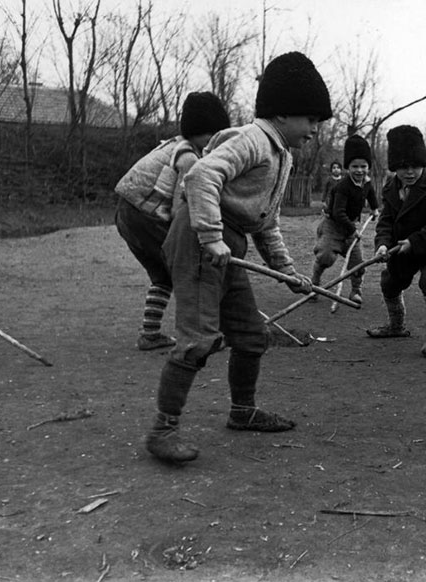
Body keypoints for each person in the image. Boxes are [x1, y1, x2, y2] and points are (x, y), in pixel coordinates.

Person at [144, 52, 332, 464]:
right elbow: (200, 176)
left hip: (228, 247)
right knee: (198, 341)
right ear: (283, 113)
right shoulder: (251, 139)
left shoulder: (282, 153)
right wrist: (211, 238)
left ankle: (243, 412)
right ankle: (162, 430)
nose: (315, 130)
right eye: (311, 120)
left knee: (250, 335)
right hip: (199, 240)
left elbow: (265, 223)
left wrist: (288, 273)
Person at [114, 92, 230, 351]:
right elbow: (182, 207)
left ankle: (150, 334)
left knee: (163, 275)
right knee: (187, 270)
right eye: (213, 137)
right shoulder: (189, 157)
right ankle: (201, 334)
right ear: (201, 132)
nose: (215, 144)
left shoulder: (176, 145)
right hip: (143, 216)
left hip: (127, 213)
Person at [366, 125, 426, 357]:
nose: (409, 172)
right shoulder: (390, 188)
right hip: (402, 247)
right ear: (395, 167)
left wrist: (414, 242)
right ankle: (396, 326)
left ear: (423, 164)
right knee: (390, 282)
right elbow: (386, 221)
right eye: (403, 167)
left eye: (415, 166)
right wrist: (383, 244)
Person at [310, 135, 379, 304]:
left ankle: (356, 290)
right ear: (347, 167)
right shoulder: (342, 187)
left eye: (363, 166)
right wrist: (353, 230)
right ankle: (314, 284)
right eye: (354, 166)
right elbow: (338, 213)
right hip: (333, 226)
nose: (359, 170)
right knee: (325, 257)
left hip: (351, 227)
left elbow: (370, 194)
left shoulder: (367, 182)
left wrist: (375, 208)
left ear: (368, 167)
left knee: (357, 264)